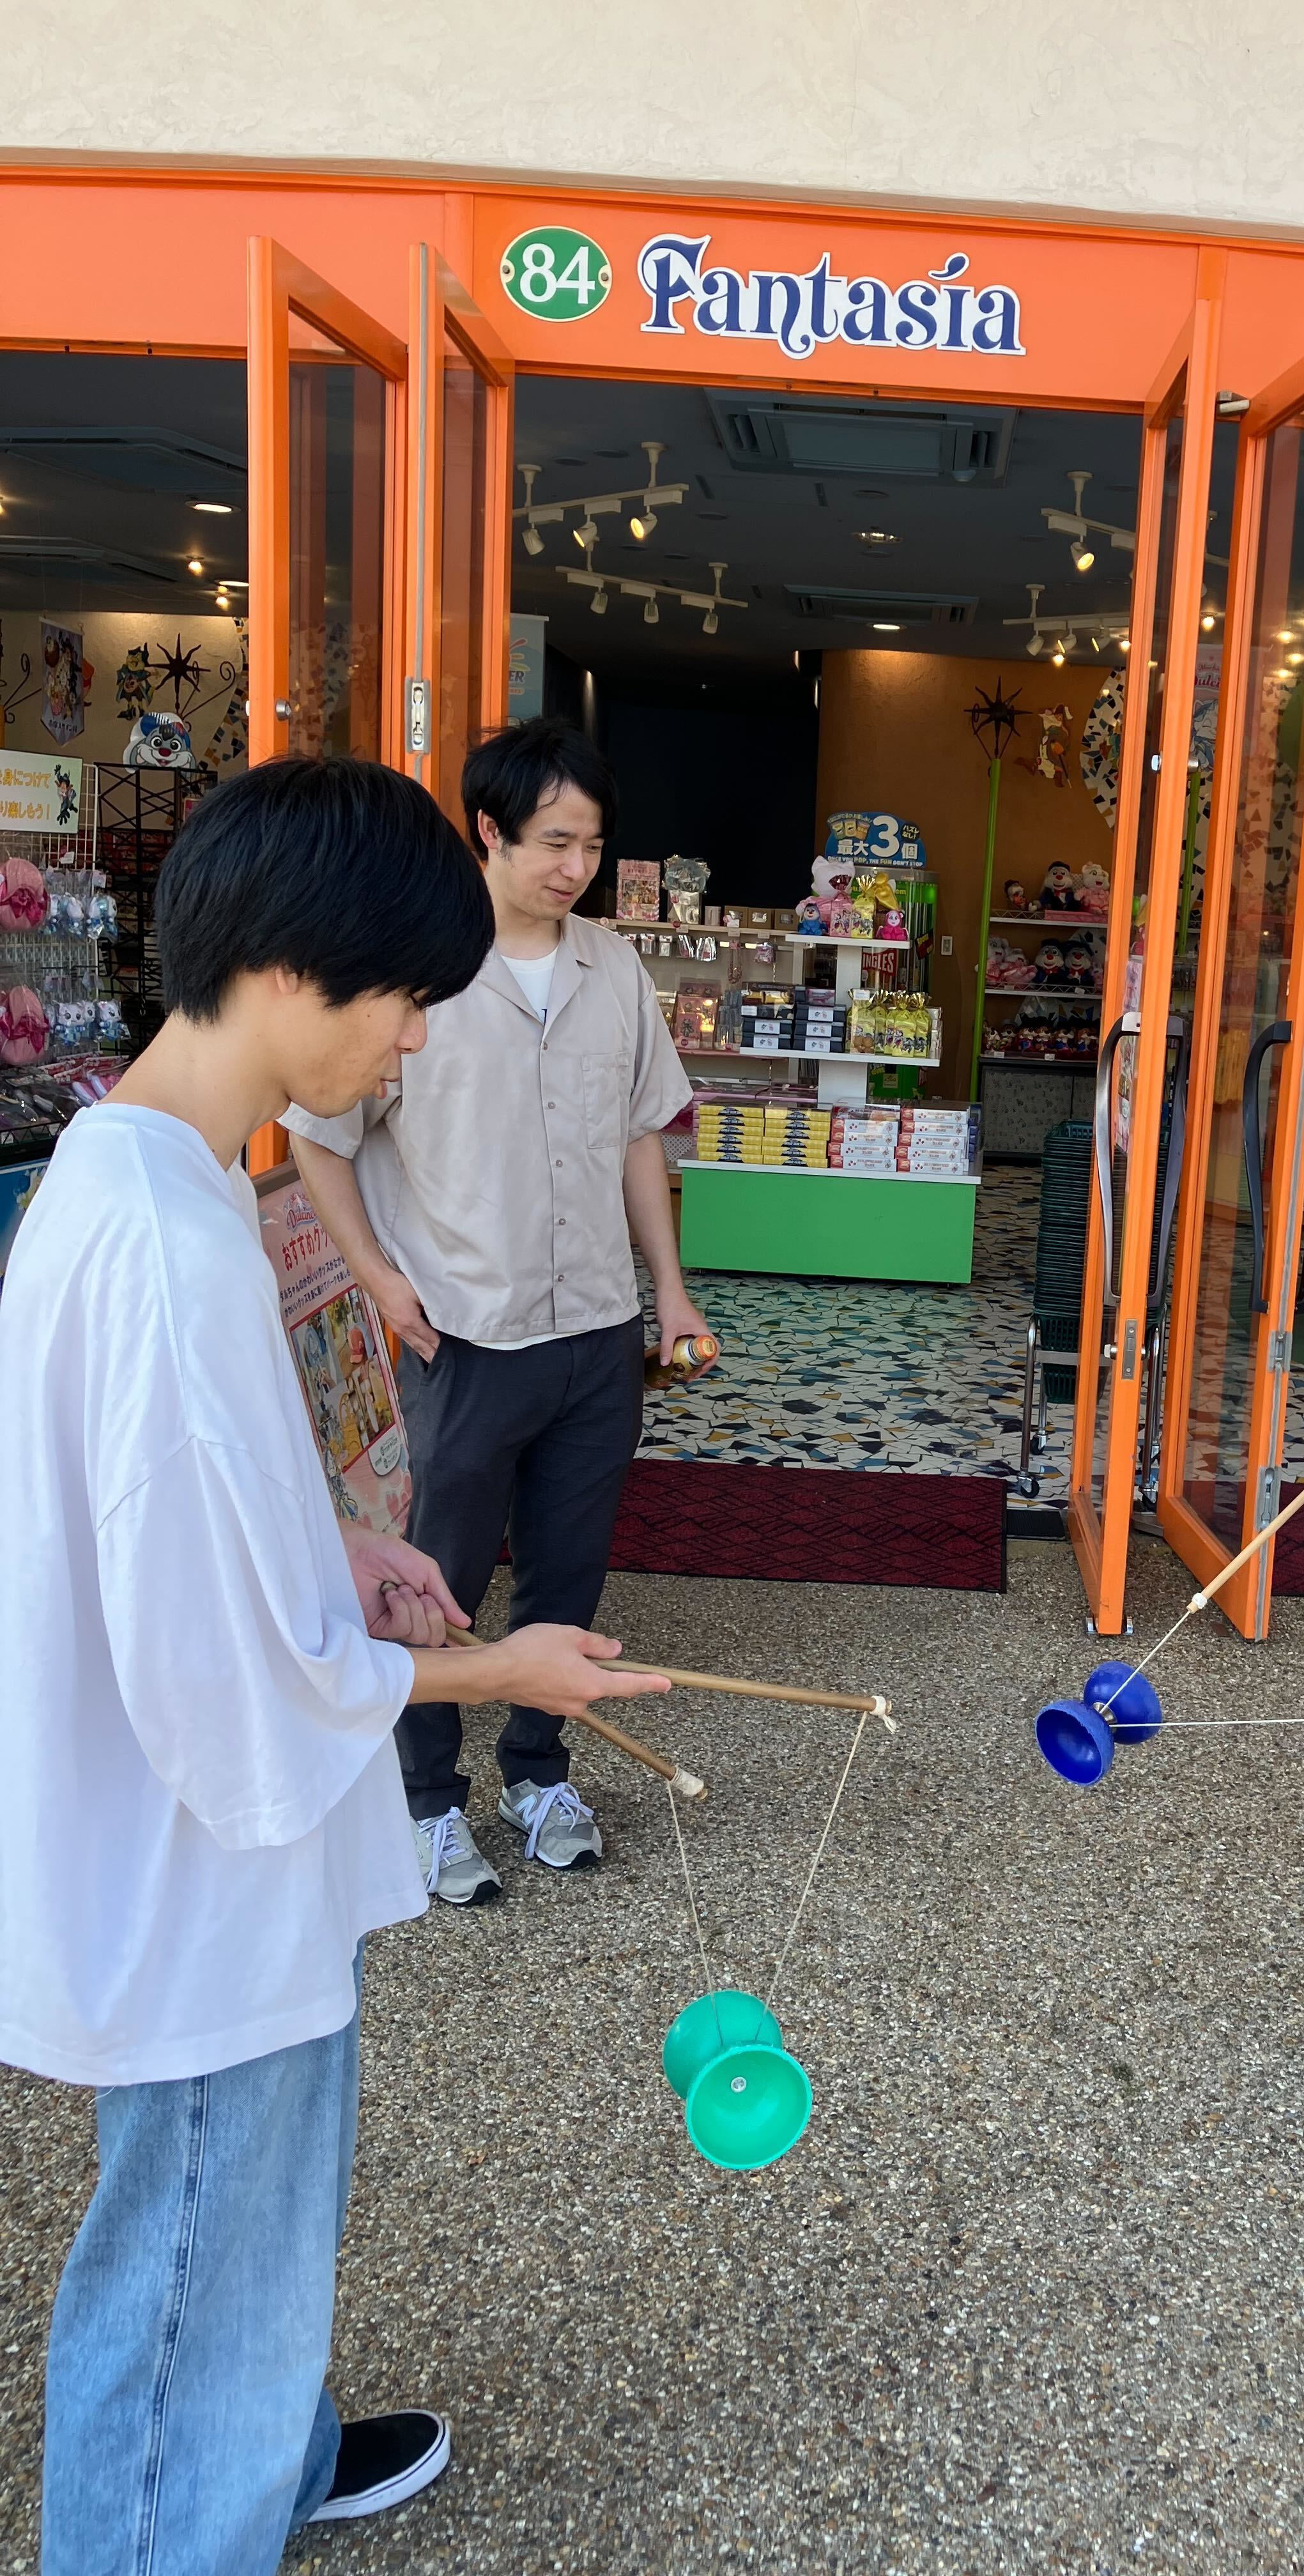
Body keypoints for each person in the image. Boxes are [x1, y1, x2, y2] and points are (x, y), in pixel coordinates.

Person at [0, 756, 673, 2573]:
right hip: (190, 1854)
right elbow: (221, 1672)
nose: (416, 1044)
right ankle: (160, 2530)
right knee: (195, 2218)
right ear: (295, 971)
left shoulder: (146, 1168)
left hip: (207, 1840)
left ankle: (264, 2451)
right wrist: (501, 1675)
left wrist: (338, 1547)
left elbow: (196, 1522)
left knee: (251, 2192)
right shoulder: (158, 1238)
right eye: (404, 1003)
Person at [287, 720, 707, 1905]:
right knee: (439, 1581)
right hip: (464, 1334)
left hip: (596, 1332)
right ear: (489, 830)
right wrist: (378, 1277)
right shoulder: (413, 962)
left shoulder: (612, 968)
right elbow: (319, 1137)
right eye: (554, 842)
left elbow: (640, 1137)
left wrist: (669, 1288)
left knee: (568, 1567)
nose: (576, 867)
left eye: (593, 845)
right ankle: (426, 1801)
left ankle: (538, 1771)